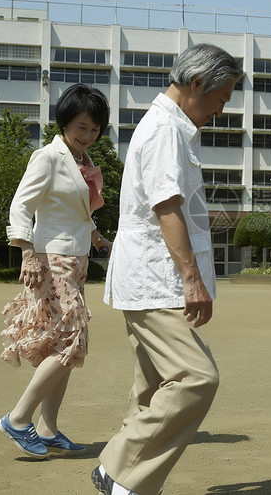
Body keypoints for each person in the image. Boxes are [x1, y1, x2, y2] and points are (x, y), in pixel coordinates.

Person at [91, 43, 244, 495]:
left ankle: (127, 482)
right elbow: (166, 207)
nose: (221, 110)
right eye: (221, 99)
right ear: (197, 85)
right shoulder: (164, 130)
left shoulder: (173, 127)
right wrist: (191, 280)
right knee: (197, 377)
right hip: (155, 280)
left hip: (152, 279)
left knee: (152, 386)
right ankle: (119, 471)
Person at [0, 83, 113, 459]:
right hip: (51, 260)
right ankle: (17, 418)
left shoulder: (82, 164)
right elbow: (20, 206)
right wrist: (26, 250)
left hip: (75, 260)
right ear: (65, 122)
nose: (88, 135)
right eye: (82, 126)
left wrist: (97, 237)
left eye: (95, 129)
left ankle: (47, 428)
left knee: (61, 345)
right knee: (70, 343)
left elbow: (77, 212)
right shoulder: (47, 157)